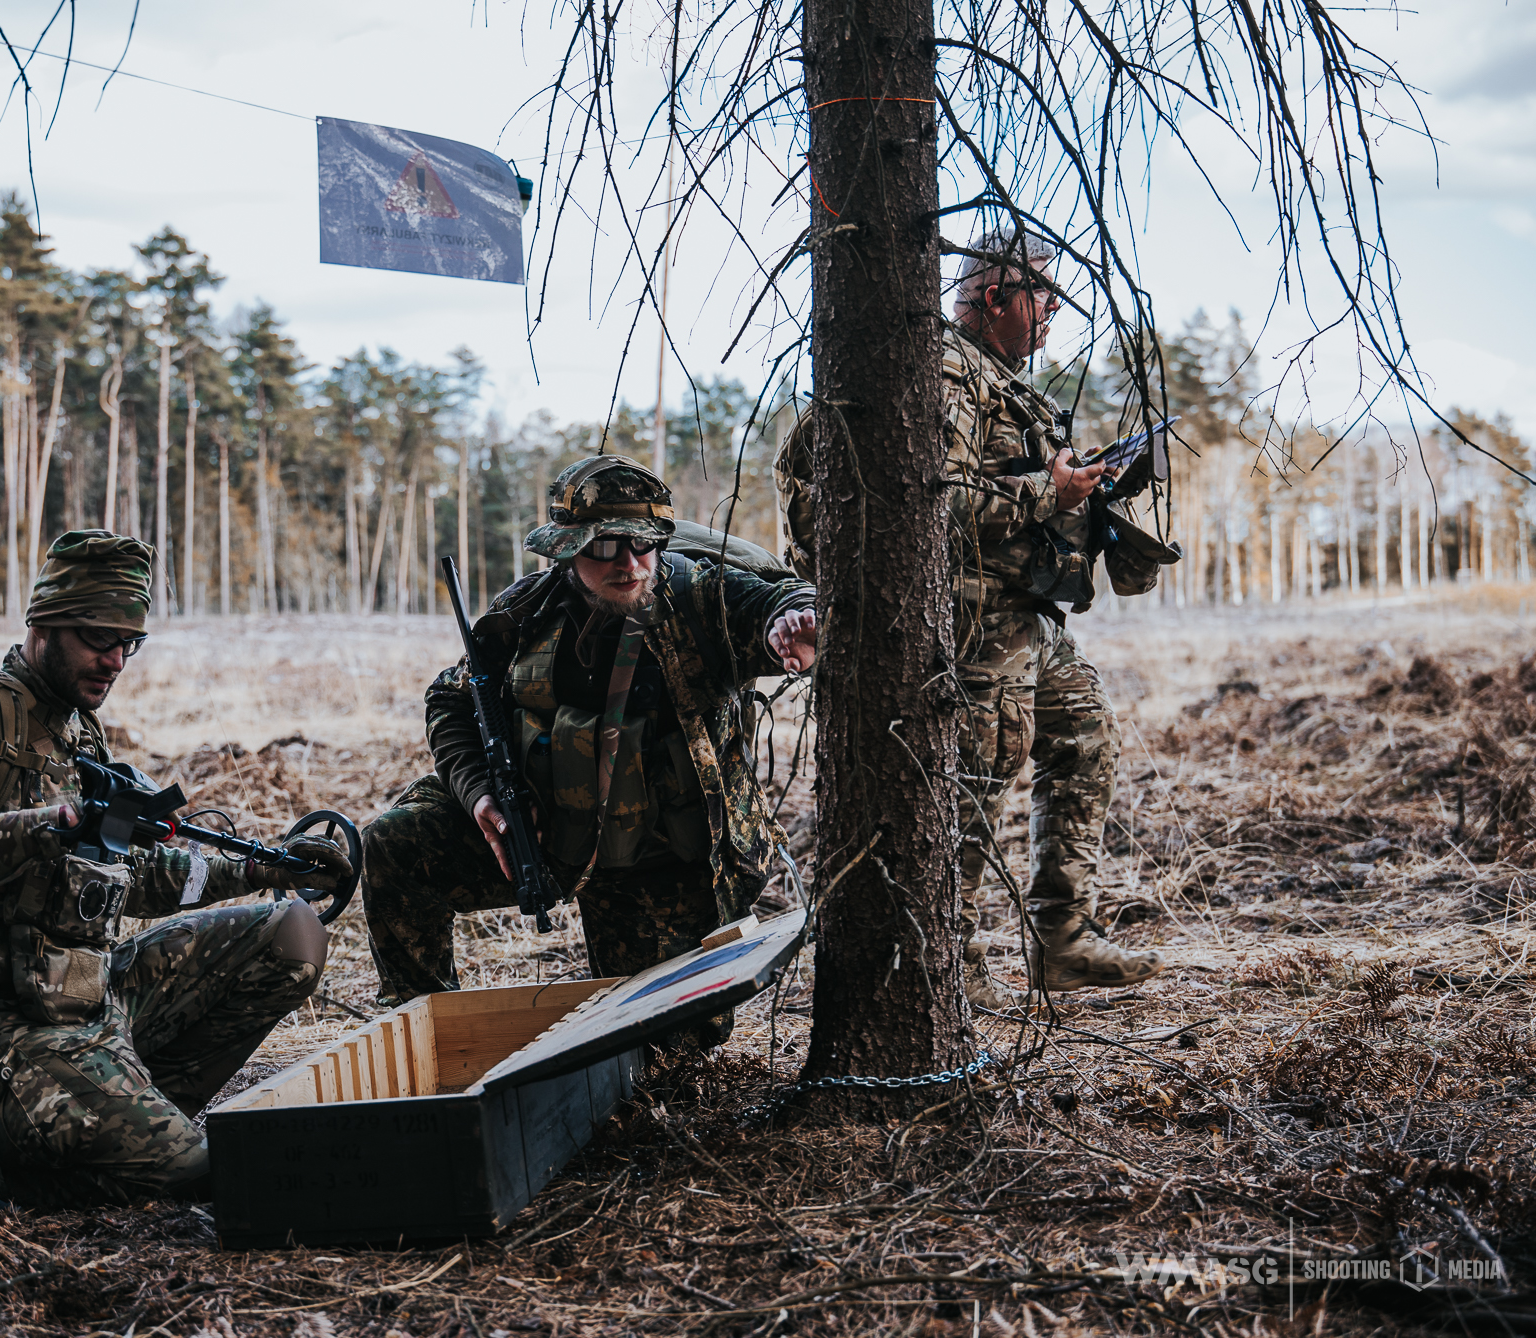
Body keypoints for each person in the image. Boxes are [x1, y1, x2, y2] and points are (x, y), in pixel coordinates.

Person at [0, 530, 350, 1206]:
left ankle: (127, 1115)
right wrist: (37, 831)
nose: (116, 660)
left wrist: (269, 869)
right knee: (208, 1171)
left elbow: (137, 873)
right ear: (44, 623)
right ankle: (17, 1155)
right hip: (3, 1038)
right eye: (98, 637)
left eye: (130, 643)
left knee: (292, 934)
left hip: (90, 1000)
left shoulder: (74, 728)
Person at [778, 226, 1169, 1010]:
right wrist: (1047, 495)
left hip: (1021, 610)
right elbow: (922, 504)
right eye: (1043, 298)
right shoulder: (945, 371)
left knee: (1085, 731)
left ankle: (1061, 937)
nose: (1053, 314)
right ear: (995, 297)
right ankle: (945, 964)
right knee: (970, 789)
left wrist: (1078, 485)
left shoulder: (992, 375)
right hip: (969, 617)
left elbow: (987, 477)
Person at [362, 456, 818, 1032]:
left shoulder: (702, 596)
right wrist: (482, 795)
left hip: (660, 864)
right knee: (397, 845)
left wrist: (793, 624)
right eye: (604, 547)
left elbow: (774, 602)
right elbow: (452, 700)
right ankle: (412, 1032)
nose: (628, 564)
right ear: (566, 549)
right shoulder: (524, 615)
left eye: (643, 544)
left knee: (667, 1053)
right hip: (546, 833)